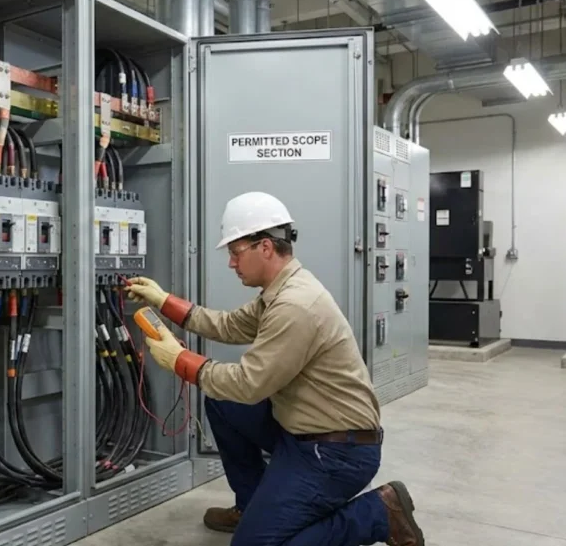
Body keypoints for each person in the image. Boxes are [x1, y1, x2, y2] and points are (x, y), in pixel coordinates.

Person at [125, 191, 424, 546]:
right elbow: (229, 325)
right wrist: (165, 301)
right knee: (222, 405)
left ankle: (377, 514)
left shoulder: (295, 304)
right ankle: (252, 506)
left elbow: (249, 384)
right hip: (302, 430)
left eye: (236, 252)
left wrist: (180, 361)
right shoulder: (279, 291)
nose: (231, 263)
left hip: (336, 452)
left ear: (265, 247)